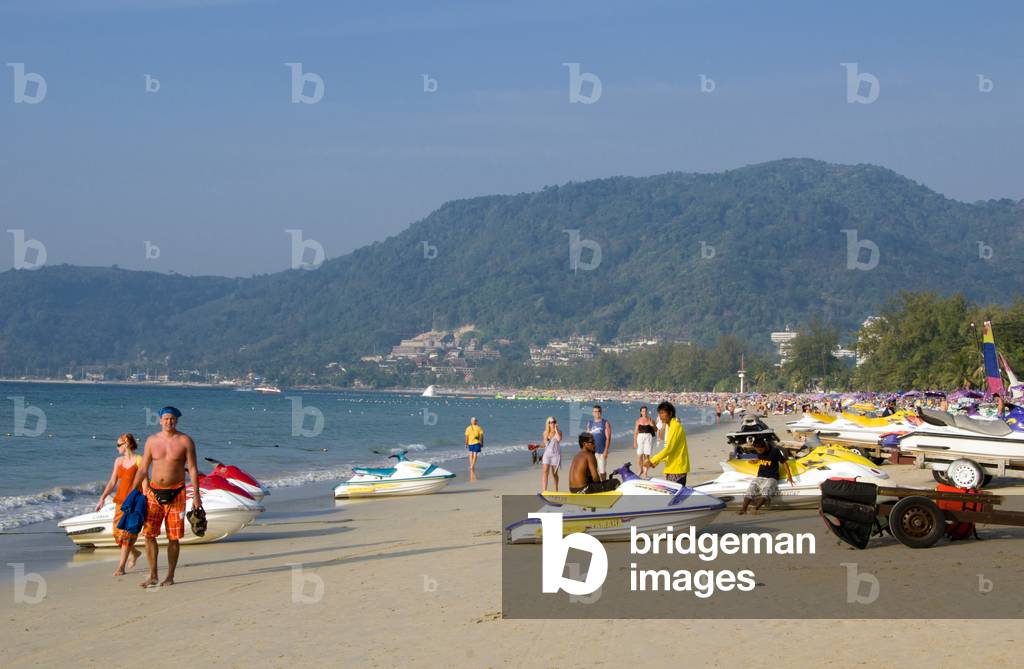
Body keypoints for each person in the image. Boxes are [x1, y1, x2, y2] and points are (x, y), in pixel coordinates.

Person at [130, 406, 201, 587]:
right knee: (148, 534)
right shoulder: (151, 441)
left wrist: (196, 495)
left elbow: (192, 469)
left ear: (176, 420)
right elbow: (144, 469)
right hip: (154, 492)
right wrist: (133, 490)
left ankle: (170, 575)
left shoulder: (185, 441)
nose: (169, 422)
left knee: (173, 537)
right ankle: (153, 575)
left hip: (177, 492)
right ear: (160, 420)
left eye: (172, 419)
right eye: (166, 418)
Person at [95, 434, 144, 576]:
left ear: (126, 444)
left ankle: (121, 567)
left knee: (127, 535)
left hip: (134, 501)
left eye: (118, 445)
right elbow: (112, 482)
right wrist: (102, 498)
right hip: (120, 502)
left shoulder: (139, 460)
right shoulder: (118, 461)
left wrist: (147, 498)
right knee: (117, 535)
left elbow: (145, 479)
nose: (117, 448)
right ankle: (134, 552)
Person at [738, 437, 795, 515]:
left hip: (772, 476)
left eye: (760, 450)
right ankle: (743, 509)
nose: (758, 452)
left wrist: (789, 476)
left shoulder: (775, 451)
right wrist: (755, 461)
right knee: (751, 489)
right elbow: (761, 458)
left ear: (765, 446)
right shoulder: (759, 450)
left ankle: (755, 508)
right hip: (760, 476)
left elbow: (784, 462)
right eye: (757, 450)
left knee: (766, 492)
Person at [649, 401, 690, 485]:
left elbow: (669, 449)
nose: (661, 416)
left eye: (663, 413)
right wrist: (656, 462)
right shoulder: (671, 426)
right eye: (659, 413)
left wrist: (653, 460)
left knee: (675, 497)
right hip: (672, 468)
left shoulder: (675, 426)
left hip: (677, 469)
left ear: (670, 413)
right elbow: (671, 450)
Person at [586, 405, 612, 480]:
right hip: (591, 452)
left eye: (598, 411)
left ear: (601, 412)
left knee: (602, 472)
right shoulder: (590, 423)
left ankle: (604, 485)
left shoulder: (605, 423)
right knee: (592, 471)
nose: (597, 413)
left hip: (601, 451)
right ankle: (596, 487)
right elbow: (587, 438)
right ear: (592, 413)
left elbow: (608, 438)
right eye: (595, 411)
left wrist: (606, 450)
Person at [633, 406, 657, 478]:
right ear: (641, 412)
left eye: (645, 411)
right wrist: (634, 441)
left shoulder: (650, 420)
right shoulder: (638, 421)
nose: (644, 412)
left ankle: (645, 472)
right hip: (640, 437)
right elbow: (636, 432)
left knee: (647, 455)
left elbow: (656, 430)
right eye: (643, 411)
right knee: (639, 455)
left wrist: (652, 425)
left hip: (648, 437)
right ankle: (640, 469)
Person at [540, 417, 562, 491]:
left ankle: (556, 490)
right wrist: (537, 446)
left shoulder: (559, 432)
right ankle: (544, 491)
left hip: (555, 455)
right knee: (545, 471)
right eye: (551, 422)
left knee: (554, 474)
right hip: (547, 454)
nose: (552, 423)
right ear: (548, 424)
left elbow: (559, 439)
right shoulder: (545, 433)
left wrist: (556, 430)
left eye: (554, 422)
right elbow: (545, 444)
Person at [464, 417, 484, 481]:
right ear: (476, 421)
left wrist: (466, 443)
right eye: (475, 421)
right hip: (477, 442)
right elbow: (481, 436)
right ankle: (472, 466)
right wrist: (482, 442)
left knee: (470, 454)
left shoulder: (468, 428)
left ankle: (471, 465)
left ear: (471, 421)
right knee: (475, 454)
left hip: (470, 443)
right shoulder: (479, 427)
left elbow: (466, 436)